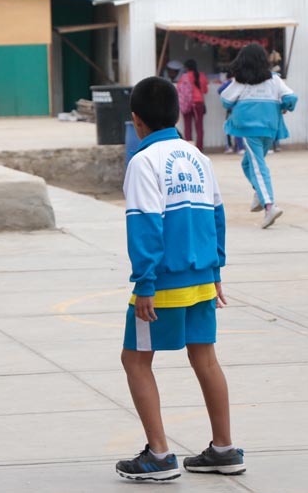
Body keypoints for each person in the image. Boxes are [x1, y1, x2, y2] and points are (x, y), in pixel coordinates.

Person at [116, 76, 244, 482]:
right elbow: (217, 217)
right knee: (205, 357)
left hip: (164, 281)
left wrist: (144, 284)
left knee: (135, 360)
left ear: (136, 121)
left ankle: (159, 455)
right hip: (203, 277)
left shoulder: (143, 161)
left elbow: (146, 226)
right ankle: (224, 449)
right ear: (176, 114)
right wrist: (216, 269)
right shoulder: (196, 156)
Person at [220, 43, 297, 229]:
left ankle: (269, 205)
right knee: (248, 163)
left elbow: (225, 101)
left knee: (257, 167)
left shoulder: (240, 81)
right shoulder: (275, 79)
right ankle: (259, 194)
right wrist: (283, 108)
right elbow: (291, 98)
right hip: (270, 129)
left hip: (249, 129)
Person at [178, 59, 209, 150]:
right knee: (199, 127)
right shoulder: (201, 76)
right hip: (198, 103)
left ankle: (189, 148)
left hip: (187, 104)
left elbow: (179, 90)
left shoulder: (184, 77)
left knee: (188, 127)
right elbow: (205, 91)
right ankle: (199, 149)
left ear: (186, 67)